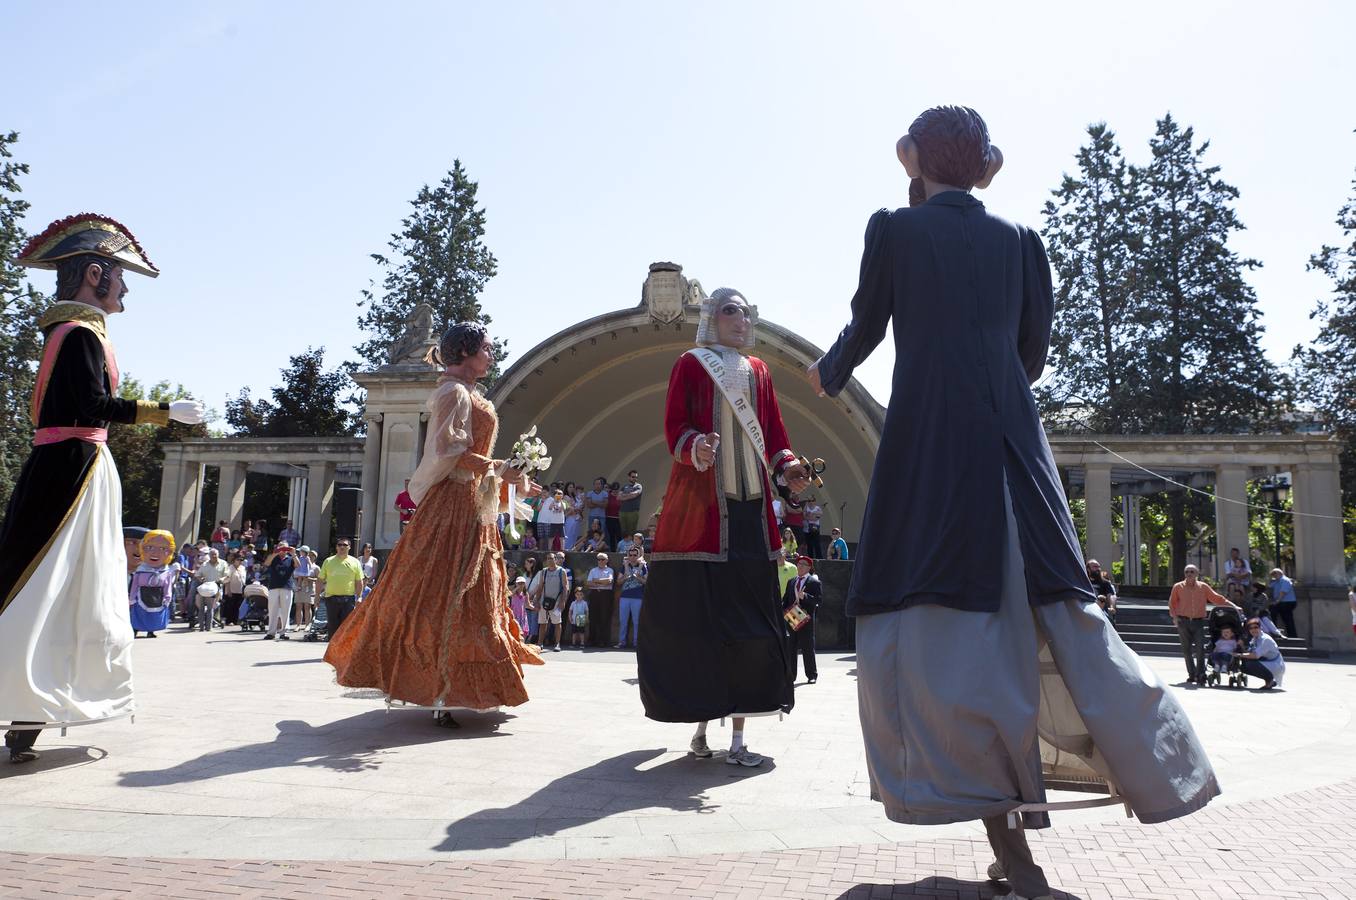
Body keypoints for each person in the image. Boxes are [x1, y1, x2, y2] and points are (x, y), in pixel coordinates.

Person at [807, 105, 1221, 900]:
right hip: (1011, 447)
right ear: (988, 166)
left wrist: (827, 373)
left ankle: (1009, 839)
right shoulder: (1020, 242)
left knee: (948, 625)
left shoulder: (895, 228)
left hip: (932, 445)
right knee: (1051, 607)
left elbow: (866, 326)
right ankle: (1146, 778)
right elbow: (1031, 355)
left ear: (910, 156)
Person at [1, 214, 205, 764]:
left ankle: (28, 714)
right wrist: (166, 412)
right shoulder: (81, 335)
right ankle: (26, 710)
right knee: (59, 587)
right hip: (75, 467)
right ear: (95, 274)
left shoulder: (65, 333)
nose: (125, 287)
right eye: (119, 276)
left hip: (65, 464)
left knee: (52, 586)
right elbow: (90, 407)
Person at [325, 323, 544, 727]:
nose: (492, 355)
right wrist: (501, 468)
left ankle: (456, 686)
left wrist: (512, 476)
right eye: (487, 348)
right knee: (441, 589)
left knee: (471, 590)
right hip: (452, 504)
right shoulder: (452, 392)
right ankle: (436, 684)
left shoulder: (469, 393)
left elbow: (467, 455)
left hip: (471, 503)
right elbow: (450, 451)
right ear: (466, 351)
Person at [638, 286, 809, 769]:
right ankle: (699, 727)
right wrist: (696, 447)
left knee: (751, 630)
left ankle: (735, 738)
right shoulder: (692, 364)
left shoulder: (759, 372)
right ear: (712, 317)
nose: (744, 320)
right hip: (705, 517)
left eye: (748, 313)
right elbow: (676, 424)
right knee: (701, 625)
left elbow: (774, 435)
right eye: (733, 311)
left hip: (752, 517)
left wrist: (788, 468)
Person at [1169, 565, 1240, 684]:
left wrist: (1234, 606)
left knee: (1200, 649)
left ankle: (1200, 674)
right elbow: (1172, 603)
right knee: (1186, 650)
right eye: (1186, 572)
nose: (1189, 574)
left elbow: (1218, 599)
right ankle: (1191, 674)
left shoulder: (1203, 587)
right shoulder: (1178, 587)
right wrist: (1175, 618)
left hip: (1198, 622)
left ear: (1197, 574)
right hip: (1183, 621)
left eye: (1192, 572)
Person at [129, 531, 180, 638]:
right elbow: (134, 585)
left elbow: (167, 586)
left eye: (163, 549)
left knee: (153, 615)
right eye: (150, 547)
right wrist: (132, 598)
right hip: (140, 596)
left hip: (157, 596)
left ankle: (150, 631)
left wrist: (167, 598)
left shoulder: (166, 572)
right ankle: (135, 629)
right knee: (138, 614)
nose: (155, 553)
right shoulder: (140, 569)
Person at [782, 555, 822, 684]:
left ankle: (811, 675)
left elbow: (818, 600)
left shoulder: (814, 582)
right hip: (792, 616)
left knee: (807, 647)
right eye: (799, 563)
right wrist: (782, 612)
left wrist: (805, 596)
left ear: (809, 567)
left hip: (806, 618)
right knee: (791, 647)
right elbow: (785, 600)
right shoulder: (791, 581)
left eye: (803, 564)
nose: (800, 566)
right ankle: (791, 676)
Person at [317, 539, 364, 641]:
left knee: (347, 627)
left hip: (348, 599)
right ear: (336, 547)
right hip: (331, 598)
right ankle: (331, 655)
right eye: (339, 545)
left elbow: (359, 581)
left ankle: (343, 655)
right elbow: (320, 580)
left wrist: (359, 597)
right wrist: (317, 597)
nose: (342, 547)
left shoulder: (355, 562)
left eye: (345, 545)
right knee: (333, 627)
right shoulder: (328, 561)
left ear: (349, 547)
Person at [530, 551, 569, 652]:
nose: (549, 560)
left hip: (556, 601)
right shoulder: (544, 571)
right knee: (542, 622)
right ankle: (539, 644)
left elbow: (565, 587)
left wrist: (563, 601)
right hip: (544, 600)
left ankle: (557, 644)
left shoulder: (561, 571)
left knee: (557, 622)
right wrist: (537, 600)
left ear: (556, 559)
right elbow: (540, 586)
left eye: (551, 558)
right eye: (548, 558)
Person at [1234, 617, 1285, 690]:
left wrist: (1238, 655)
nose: (1253, 629)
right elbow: (1249, 653)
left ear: (1260, 627)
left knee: (1250, 665)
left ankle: (1269, 681)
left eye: (1256, 627)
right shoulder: (1255, 638)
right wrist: (1241, 645)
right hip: (1267, 662)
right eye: (1251, 628)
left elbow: (1255, 656)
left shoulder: (1265, 639)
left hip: (1275, 665)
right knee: (1244, 666)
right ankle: (1269, 681)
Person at [261, 541, 298, 640]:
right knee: (273, 610)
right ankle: (271, 632)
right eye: (281, 548)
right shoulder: (274, 558)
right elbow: (266, 563)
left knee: (286, 610)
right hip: (274, 586)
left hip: (286, 586)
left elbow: (298, 565)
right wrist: (275, 553)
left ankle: (284, 632)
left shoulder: (290, 559)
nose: (283, 550)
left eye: (285, 548)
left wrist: (293, 554)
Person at [615, 545, 647, 649]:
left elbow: (647, 582)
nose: (632, 557)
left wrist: (639, 578)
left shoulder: (644, 566)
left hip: (638, 597)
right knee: (623, 620)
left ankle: (636, 643)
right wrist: (625, 576)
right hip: (625, 597)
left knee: (637, 621)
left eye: (635, 555)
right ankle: (622, 642)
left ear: (638, 556)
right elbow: (618, 582)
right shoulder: (624, 566)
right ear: (628, 555)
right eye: (631, 555)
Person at [194, 547, 230, 632]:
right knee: (201, 607)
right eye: (212, 555)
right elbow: (197, 575)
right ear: (209, 556)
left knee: (210, 608)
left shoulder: (223, 563)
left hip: (216, 588)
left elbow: (227, 576)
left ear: (218, 555)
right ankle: (201, 627)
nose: (214, 556)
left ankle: (208, 627)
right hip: (205, 587)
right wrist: (201, 579)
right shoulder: (205, 564)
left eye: (215, 555)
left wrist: (222, 579)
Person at [586, 552, 615, 648]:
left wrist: (596, 581)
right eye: (599, 559)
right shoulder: (593, 570)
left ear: (607, 560)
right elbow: (589, 583)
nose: (600, 561)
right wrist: (602, 583)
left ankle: (603, 640)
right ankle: (591, 640)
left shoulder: (610, 570)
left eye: (603, 559)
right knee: (593, 618)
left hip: (606, 595)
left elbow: (609, 581)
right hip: (594, 595)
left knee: (604, 617)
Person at [1268, 568, 1298, 638]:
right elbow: (1269, 586)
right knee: (1284, 618)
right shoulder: (1277, 581)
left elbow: (1283, 592)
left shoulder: (1285, 580)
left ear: (1278, 573)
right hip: (1282, 602)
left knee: (1287, 619)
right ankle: (1275, 631)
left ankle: (1292, 636)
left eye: (1274, 574)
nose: (1273, 576)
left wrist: (1277, 602)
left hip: (1287, 602)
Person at [292, 545, 317, 629]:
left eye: (313, 555)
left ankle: (307, 625)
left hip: (309, 589)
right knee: (298, 606)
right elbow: (294, 572)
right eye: (311, 554)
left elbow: (320, 580)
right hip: (299, 588)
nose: (311, 556)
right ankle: (298, 625)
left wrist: (310, 579)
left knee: (307, 606)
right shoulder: (300, 560)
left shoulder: (315, 567)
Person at [221, 551, 247, 627]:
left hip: (240, 590)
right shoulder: (230, 568)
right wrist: (228, 590)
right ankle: (229, 621)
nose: (240, 561)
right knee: (230, 606)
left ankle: (236, 620)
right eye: (238, 559)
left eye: (241, 560)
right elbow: (227, 579)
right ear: (234, 560)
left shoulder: (243, 568)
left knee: (237, 606)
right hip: (231, 590)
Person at [1086, 559, 1117, 623]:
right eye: (1095, 567)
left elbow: (1111, 596)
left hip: (1101, 610)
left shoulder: (1105, 583)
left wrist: (1112, 607)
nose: (1098, 569)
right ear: (1088, 569)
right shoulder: (1084, 582)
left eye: (1098, 567)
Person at [618, 470, 643, 540]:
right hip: (622, 511)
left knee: (631, 531)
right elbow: (618, 497)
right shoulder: (624, 487)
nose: (635, 478)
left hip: (633, 512)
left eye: (636, 477)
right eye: (633, 477)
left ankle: (631, 546)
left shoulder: (638, 486)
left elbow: (635, 495)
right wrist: (629, 496)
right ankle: (624, 546)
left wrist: (624, 496)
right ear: (629, 477)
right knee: (623, 530)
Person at [509, 576, 531, 640]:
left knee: (523, 631)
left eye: (522, 583)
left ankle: (522, 644)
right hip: (514, 614)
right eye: (519, 583)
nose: (521, 585)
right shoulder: (514, 593)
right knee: (514, 630)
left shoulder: (525, 594)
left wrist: (535, 608)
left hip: (522, 615)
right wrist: (517, 588)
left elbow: (528, 604)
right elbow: (509, 594)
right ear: (516, 584)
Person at [604, 482, 623, 550]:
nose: (615, 491)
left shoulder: (620, 496)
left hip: (618, 518)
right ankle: (612, 550)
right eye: (614, 489)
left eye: (616, 489)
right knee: (611, 535)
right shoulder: (608, 496)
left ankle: (620, 549)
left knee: (619, 535)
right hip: (609, 517)